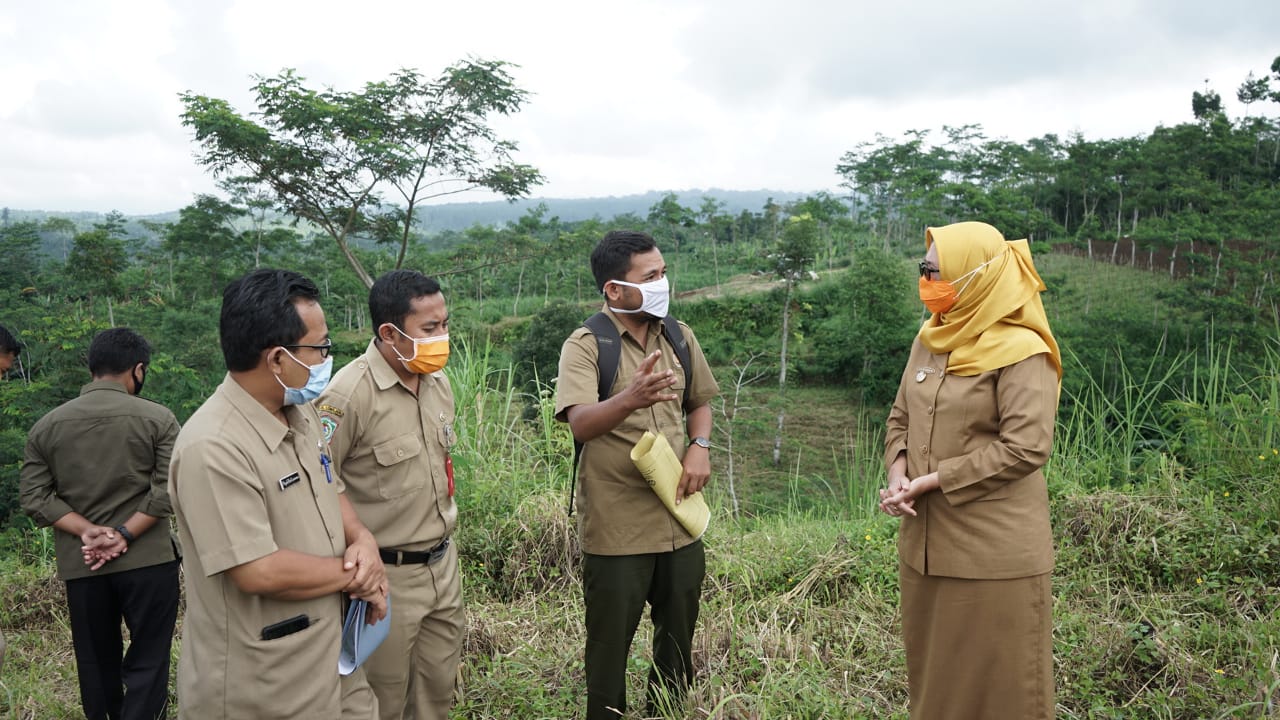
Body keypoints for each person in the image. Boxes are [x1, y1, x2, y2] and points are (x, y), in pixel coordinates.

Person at [168, 268, 387, 720]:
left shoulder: (300, 412)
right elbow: (256, 570)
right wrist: (357, 576)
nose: (328, 356)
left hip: (334, 659)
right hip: (266, 682)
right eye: (320, 347)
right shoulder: (213, 447)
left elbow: (332, 488)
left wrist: (363, 540)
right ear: (277, 359)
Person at [879, 221, 1062, 720]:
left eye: (935, 271)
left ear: (974, 274)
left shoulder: (1023, 350)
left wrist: (934, 480)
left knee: (1002, 686)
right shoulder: (933, 336)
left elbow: (1026, 447)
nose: (927, 280)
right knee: (936, 683)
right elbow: (900, 415)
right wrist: (899, 470)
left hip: (993, 553)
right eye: (925, 270)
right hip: (925, 548)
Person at [554, 229, 720, 719]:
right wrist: (632, 396)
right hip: (618, 526)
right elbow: (581, 423)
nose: (663, 283)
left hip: (679, 516)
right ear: (614, 289)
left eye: (663, 272)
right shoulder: (587, 345)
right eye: (650, 277)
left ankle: (666, 710)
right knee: (609, 645)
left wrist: (700, 447)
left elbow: (701, 402)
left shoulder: (678, 335)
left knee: (678, 633)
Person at [317, 269, 462, 720]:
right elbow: (321, 479)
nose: (443, 336)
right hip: (387, 580)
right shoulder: (349, 394)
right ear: (390, 333)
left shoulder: (437, 382)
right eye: (430, 328)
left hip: (443, 566)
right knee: (383, 700)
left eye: (445, 324)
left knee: (438, 693)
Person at [20, 327, 181, 720]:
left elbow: (35, 497)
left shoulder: (46, 426)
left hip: (83, 563)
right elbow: (169, 489)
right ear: (138, 370)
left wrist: (88, 532)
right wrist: (124, 534)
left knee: (94, 663)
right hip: (149, 562)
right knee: (149, 657)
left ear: (92, 368)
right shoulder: (158, 418)